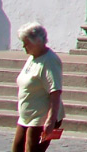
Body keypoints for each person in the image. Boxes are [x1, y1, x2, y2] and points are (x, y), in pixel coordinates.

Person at [14, 22, 64, 152]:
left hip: (40, 118)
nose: (24, 46)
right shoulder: (33, 57)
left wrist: (51, 121)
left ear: (37, 41)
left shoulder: (50, 60)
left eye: (26, 43)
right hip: (26, 117)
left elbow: (55, 92)